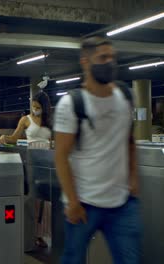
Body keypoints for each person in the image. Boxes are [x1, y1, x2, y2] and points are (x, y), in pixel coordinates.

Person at [54, 37, 141, 264]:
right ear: (85, 61)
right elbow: (61, 156)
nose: (110, 62)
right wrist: (72, 201)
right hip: (84, 204)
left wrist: (133, 177)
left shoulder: (125, 96)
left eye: (112, 57)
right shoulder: (71, 104)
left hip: (122, 203)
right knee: (73, 258)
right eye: (103, 58)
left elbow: (129, 140)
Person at [0, 91, 52, 250]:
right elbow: (14, 138)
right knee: (33, 199)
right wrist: (4, 138)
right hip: (32, 162)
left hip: (47, 162)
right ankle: (30, 233)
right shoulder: (25, 119)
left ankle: (41, 234)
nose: (35, 109)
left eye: (38, 107)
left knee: (47, 202)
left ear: (44, 107)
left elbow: (51, 140)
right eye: (33, 106)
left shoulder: (48, 121)